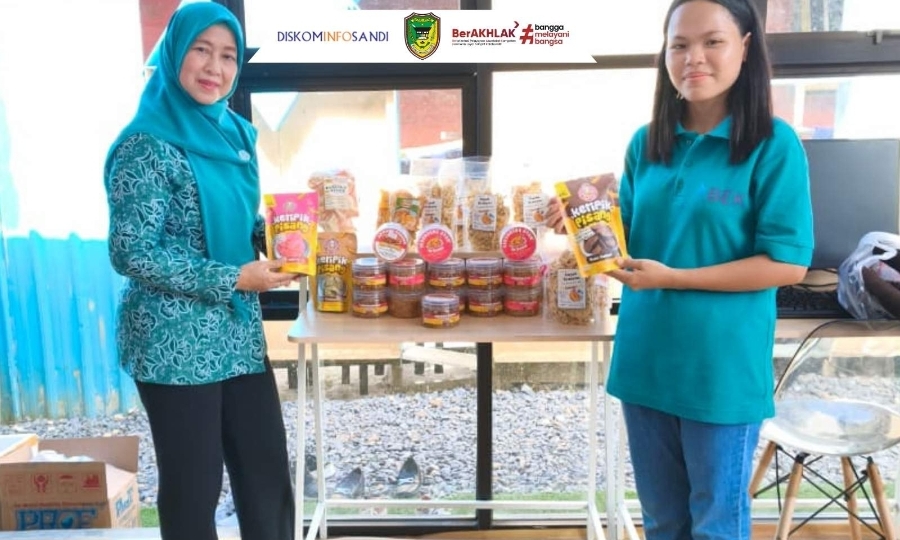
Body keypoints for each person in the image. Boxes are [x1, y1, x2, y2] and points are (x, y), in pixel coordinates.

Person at [551, 0, 813, 538]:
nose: (694, 57)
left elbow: (787, 263)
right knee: (663, 522)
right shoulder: (646, 142)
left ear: (745, 47)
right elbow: (628, 246)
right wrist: (582, 223)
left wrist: (674, 278)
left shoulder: (773, 144)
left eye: (712, 41)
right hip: (644, 362)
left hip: (720, 371)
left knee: (717, 525)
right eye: (679, 45)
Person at [103, 4, 295, 540]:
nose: (215, 67)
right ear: (174, 55)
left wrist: (291, 233)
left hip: (235, 332)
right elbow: (131, 251)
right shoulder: (146, 144)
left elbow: (239, 222)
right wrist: (233, 279)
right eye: (201, 50)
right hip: (174, 341)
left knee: (266, 473)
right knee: (195, 484)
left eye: (229, 55)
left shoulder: (235, 135)